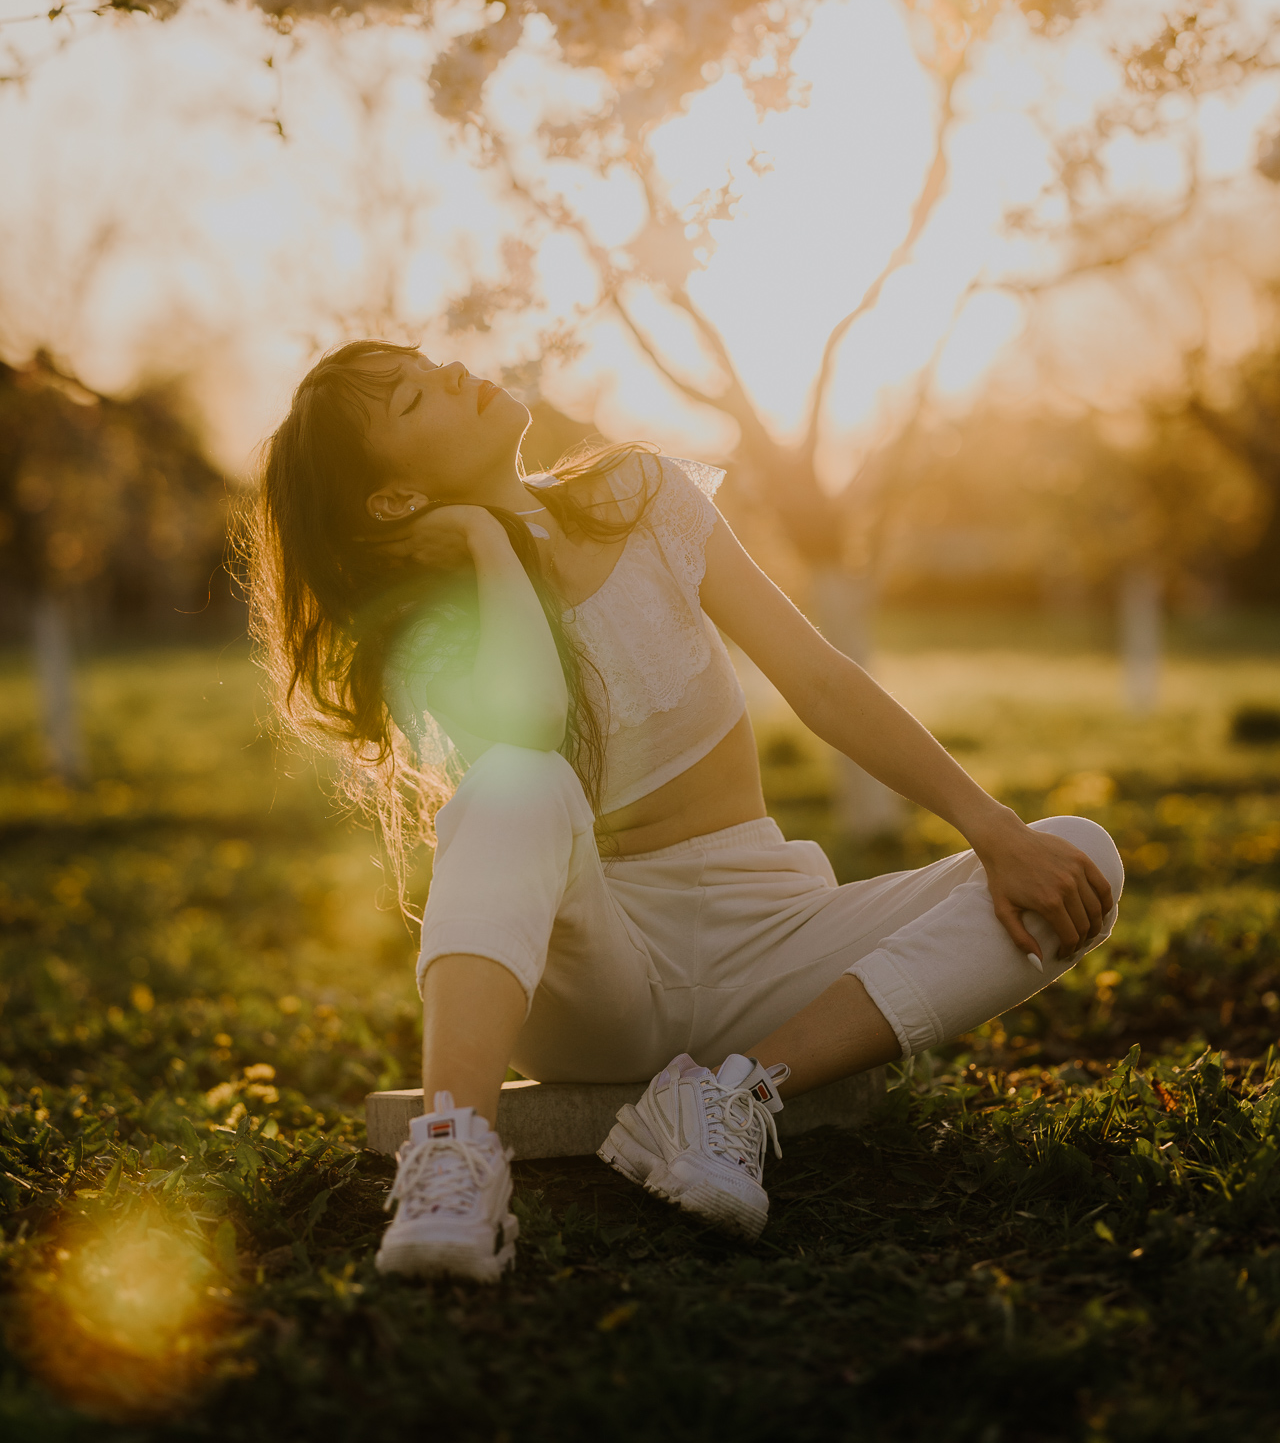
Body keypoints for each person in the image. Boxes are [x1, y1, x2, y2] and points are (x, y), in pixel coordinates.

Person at [253, 340, 1123, 1284]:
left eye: (432, 362)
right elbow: (536, 724)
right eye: (417, 399)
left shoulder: (643, 494)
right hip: (602, 979)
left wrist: (991, 828)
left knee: (1080, 855)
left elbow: (818, 680)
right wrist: (485, 542)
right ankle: (452, 1156)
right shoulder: (430, 625)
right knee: (516, 778)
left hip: (771, 931)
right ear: (393, 502)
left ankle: (735, 1095)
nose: (456, 374)